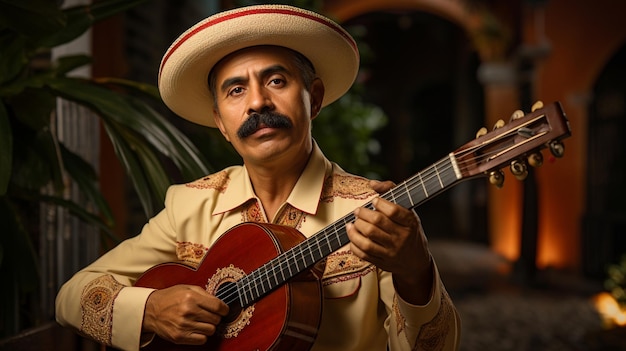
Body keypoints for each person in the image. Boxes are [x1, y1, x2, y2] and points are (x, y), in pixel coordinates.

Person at [55, 4, 461, 351]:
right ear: (221, 123)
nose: (256, 102)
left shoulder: (373, 216)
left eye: (276, 81)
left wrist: (414, 270)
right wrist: (151, 310)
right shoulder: (191, 205)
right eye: (235, 91)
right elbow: (71, 297)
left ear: (314, 98)